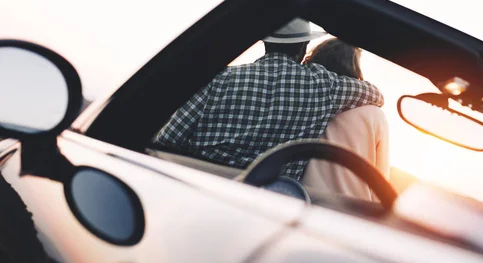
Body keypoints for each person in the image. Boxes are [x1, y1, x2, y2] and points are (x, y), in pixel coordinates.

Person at [154, 18, 384, 180]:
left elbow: (166, 141)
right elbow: (375, 94)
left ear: (264, 43)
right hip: (264, 206)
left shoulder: (218, 78)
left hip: (197, 188)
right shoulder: (324, 85)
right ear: (304, 48)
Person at [302, 38, 390, 201]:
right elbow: (381, 179)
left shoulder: (306, 101)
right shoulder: (375, 115)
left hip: (302, 199)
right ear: (355, 67)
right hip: (351, 211)